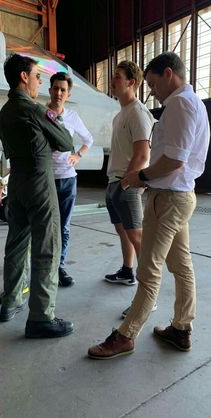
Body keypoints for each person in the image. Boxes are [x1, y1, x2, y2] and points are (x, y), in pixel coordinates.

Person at [88, 52, 210, 359]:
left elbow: (173, 160)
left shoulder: (181, 104)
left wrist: (139, 176)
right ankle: (181, 328)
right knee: (181, 267)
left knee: (148, 271)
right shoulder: (187, 103)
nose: (151, 90)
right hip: (178, 196)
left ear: (168, 73)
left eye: (153, 82)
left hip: (168, 199)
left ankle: (125, 335)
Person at [0, 53, 74, 339]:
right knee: (47, 247)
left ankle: (11, 301)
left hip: (16, 181)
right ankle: (42, 316)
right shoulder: (33, 108)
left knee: (16, 243)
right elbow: (66, 142)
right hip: (40, 182)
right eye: (37, 76)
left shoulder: (5, 111)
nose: (41, 82)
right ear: (24, 77)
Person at [103, 60, 156, 316]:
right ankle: (127, 271)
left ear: (131, 82)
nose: (112, 80)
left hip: (128, 185)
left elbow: (142, 154)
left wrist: (126, 182)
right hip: (114, 182)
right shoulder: (119, 114)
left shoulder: (138, 112)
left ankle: (148, 296)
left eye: (117, 76)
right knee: (124, 232)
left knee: (137, 237)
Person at [49, 72, 93, 286]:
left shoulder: (72, 117)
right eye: (55, 88)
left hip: (67, 179)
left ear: (68, 94)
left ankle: (60, 267)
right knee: (45, 226)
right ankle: (44, 267)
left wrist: (78, 155)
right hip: (45, 179)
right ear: (49, 90)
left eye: (63, 90)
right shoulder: (41, 113)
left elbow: (88, 139)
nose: (58, 93)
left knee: (64, 227)